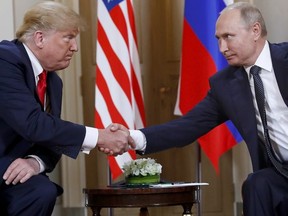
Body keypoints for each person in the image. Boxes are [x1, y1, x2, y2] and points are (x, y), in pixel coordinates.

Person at [106, 2, 288, 215]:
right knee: (257, 183)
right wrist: (132, 137)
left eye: (228, 36)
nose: (222, 48)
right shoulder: (225, 85)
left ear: (255, 31)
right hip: (280, 172)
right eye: (218, 39)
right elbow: (187, 126)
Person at [0, 2, 133, 216]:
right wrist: (99, 136)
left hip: (12, 172)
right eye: (68, 37)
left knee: (41, 191)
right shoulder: (4, 59)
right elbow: (33, 124)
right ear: (40, 38)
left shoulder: (52, 81)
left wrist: (35, 163)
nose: (75, 47)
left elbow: (51, 136)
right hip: (4, 165)